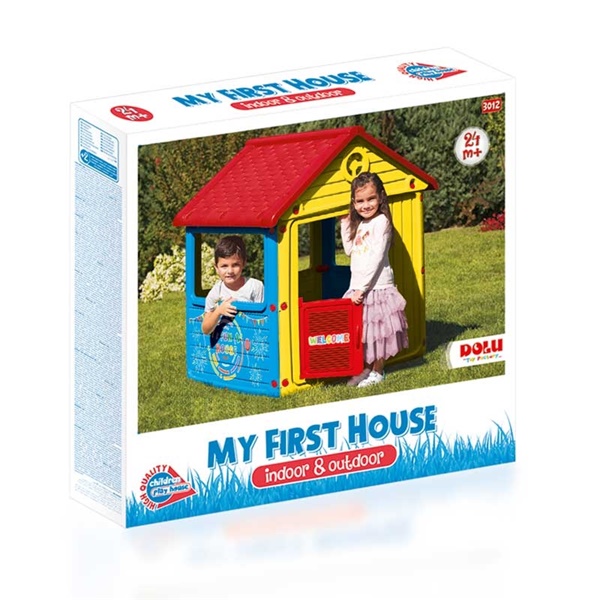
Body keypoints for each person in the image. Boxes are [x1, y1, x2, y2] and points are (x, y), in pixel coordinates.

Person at [340, 172, 409, 388]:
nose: (366, 205)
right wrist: (345, 224)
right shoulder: (360, 223)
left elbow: (377, 258)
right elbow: (349, 250)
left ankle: (378, 371)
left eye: (371, 199)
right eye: (360, 201)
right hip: (359, 286)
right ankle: (365, 369)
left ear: (380, 197)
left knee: (379, 334)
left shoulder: (381, 222)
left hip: (376, 287)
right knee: (363, 332)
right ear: (354, 203)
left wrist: (362, 288)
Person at [201, 235, 264, 335]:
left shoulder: (255, 286)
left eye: (235, 265)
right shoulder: (216, 291)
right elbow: (205, 329)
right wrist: (218, 311)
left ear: (244, 263)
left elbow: (263, 320)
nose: (230, 271)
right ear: (216, 268)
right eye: (224, 266)